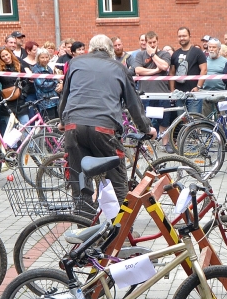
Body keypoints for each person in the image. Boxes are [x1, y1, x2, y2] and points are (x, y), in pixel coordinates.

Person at [58, 34, 155, 215]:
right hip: (104, 128)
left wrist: (63, 121)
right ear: (110, 51)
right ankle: (123, 231)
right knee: (116, 179)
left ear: (90, 48)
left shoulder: (75, 63)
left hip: (74, 126)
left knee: (80, 179)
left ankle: (84, 228)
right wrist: (147, 128)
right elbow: (133, 103)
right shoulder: (119, 67)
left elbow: (66, 95)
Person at [170, 27, 207, 113]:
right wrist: (172, 90)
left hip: (193, 94)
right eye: (179, 36)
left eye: (184, 36)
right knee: (182, 121)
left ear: (190, 36)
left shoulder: (198, 52)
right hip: (179, 94)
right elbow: (171, 73)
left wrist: (198, 87)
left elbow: (204, 70)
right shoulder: (175, 54)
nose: (182, 38)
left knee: (194, 122)